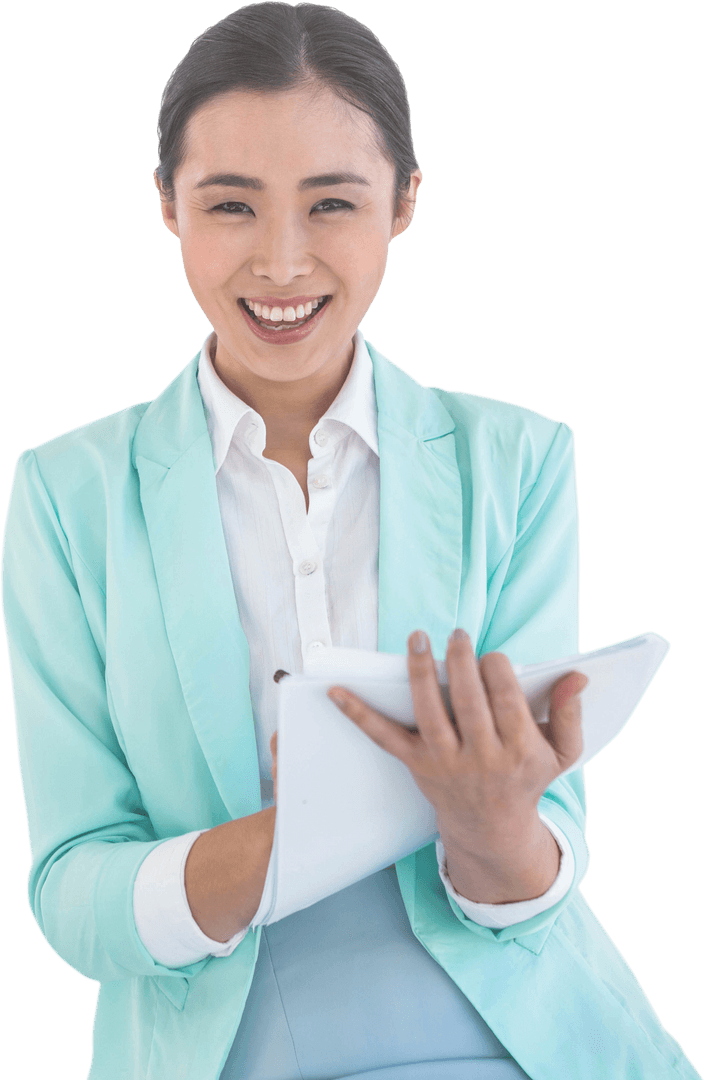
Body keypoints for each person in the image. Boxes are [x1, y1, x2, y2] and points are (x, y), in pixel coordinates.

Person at [1, 4, 700, 1079]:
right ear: (166, 205)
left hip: (525, 1038)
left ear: (405, 203)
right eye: (230, 205)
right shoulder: (67, 496)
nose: (281, 262)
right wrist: (303, 837)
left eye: (333, 202)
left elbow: (543, 867)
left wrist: (494, 816)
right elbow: (72, 895)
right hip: (215, 1047)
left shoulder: (512, 459)